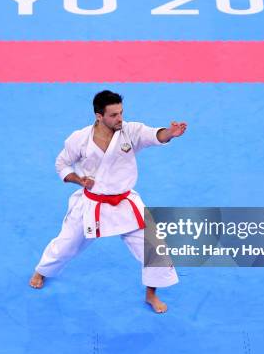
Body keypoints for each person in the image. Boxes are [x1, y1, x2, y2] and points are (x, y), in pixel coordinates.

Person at [29, 90, 187, 313]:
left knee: (155, 250)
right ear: (99, 116)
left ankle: (151, 294)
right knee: (66, 244)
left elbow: (155, 135)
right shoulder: (80, 139)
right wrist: (78, 179)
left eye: (121, 112)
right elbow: (61, 164)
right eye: (113, 115)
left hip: (125, 203)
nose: (120, 118)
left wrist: (170, 132)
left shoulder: (131, 131)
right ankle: (42, 270)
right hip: (91, 204)